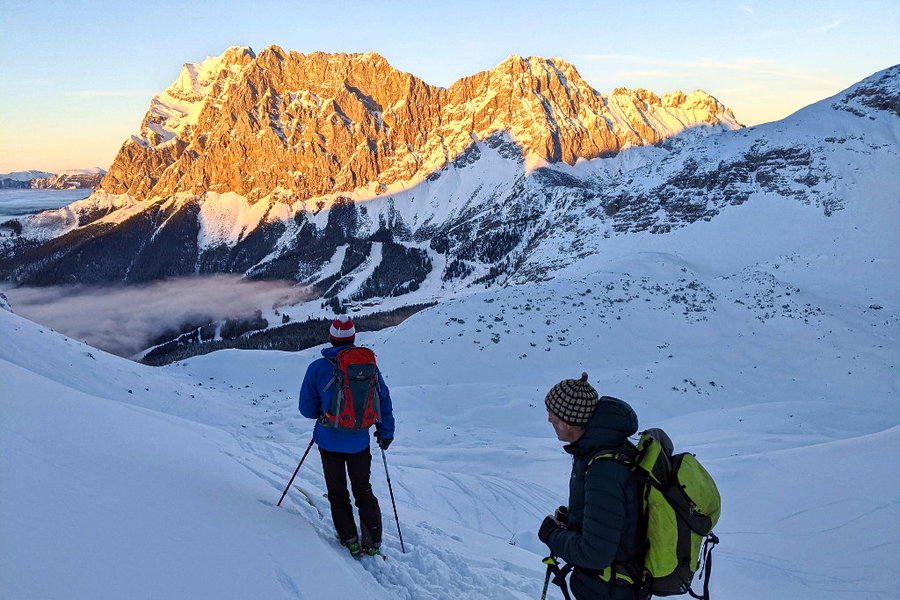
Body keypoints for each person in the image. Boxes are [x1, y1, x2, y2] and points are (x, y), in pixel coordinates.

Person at [537, 373, 645, 600]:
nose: (549, 420)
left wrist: (551, 534)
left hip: (610, 591)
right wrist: (575, 521)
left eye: (552, 415)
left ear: (568, 422)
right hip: (607, 586)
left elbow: (595, 553)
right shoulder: (596, 450)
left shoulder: (603, 470)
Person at [299, 315, 395, 557]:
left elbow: (306, 409)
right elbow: (383, 401)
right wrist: (386, 433)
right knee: (363, 489)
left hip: (329, 441)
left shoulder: (318, 368)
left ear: (331, 339)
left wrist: (324, 413)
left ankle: (350, 539)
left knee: (338, 491)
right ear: (353, 338)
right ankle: (373, 543)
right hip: (359, 441)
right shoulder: (369, 367)